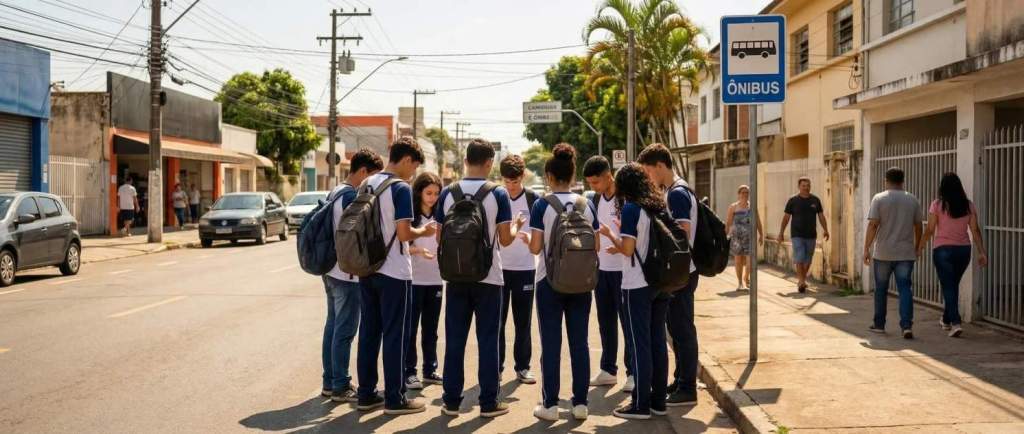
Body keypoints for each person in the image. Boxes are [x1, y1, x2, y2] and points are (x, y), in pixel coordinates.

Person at [435, 138, 520, 419]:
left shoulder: (447, 193)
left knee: (455, 339)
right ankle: (488, 402)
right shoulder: (498, 194)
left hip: (455, 276)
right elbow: (505, 240)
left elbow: (439, 238)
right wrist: (517, 227)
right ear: (488, 163)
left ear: (465, 160)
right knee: (488, 340)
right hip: (489, 277)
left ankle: (450, 400)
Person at [355, 137, 436, 415]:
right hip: (394, 272)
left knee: (368, 332)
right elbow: (404, 233)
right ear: (405, 160)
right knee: (395, 335)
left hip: (368, 268)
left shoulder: (368, 183)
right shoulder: (400, 188)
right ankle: (395, 398)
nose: (413, 173)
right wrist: (423, 232)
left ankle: (365, 394)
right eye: (413, 166)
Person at [528, 144, 599, 422]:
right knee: (580, 343)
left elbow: (535, 248)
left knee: (552, 343)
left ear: (548, 175)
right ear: (572, 175)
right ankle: (580, 404)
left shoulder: (541, 205)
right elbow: (598, 245)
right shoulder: (587, 204)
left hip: (549, 282)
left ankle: (550, 405)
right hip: (582, 282)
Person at [599, 162, 671, 420]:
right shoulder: (658, 205)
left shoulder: (631, 208)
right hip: (660, 282)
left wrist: (610, 234)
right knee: (657, 342)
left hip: (636, 284)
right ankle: (658, 401)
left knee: (640, 344)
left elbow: (628, 249)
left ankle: (640, 403)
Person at [637, 143, 698, 407]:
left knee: (682, 330)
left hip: (682, 273)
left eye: (648, 171)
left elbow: (681, 234)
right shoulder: (675, 190)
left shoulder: (677, 194)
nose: (648, 177)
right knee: (675, 328)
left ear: (660, 166)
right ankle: (680, 378)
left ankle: (688, 387)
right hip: (681, 273)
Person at [322, 149, 383, 402]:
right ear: (362, 172)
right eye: (372, 177)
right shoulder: (351, 197)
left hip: (331, 269)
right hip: (347, 273)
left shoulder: (335, 191)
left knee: (333, 326)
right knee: (345, 331)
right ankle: (340, 385)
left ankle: (330, 381)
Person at [582, 155, 634, 392]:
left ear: (607, 176)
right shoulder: (593, 199)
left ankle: (632, 372)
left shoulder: (625, 197)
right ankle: (608, 370)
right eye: (590, 183)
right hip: (601, 270)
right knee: (605, 322)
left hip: (624, 271)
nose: (593, 187)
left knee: (628, 323)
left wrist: (619, 242)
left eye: (595, 182)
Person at [918, 172, 988, 338]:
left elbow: (929, 229)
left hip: (942, 250)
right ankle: (946, 319)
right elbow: (975, 230)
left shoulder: (937, 205)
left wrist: (920, 246)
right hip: (963, 251)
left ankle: (956, 323)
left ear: (942, 187)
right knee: (952, 285)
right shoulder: (968, 205)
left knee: (949, 286)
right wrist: (982, 252)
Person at [864, 167, 923, 339]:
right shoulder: (912, 199)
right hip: (905, 253)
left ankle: (879, 324)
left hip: (883, 253)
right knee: (905, 288)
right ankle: (906, 326)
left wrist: (866, 248)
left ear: (886, 180)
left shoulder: (879, 198)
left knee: (881, 289)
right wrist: (917, 246)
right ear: (902, 180)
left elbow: (873, 224)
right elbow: (919, 226)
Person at [497, 154, 538, 385]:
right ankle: (497, 367)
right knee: (497, 322)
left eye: (514, 182)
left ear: (522, 177)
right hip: (500, 269)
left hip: (525, 268)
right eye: (506, 182)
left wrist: (530, 237)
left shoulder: (533, 199)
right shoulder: (498, 197)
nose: (511, 187)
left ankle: (523, 367)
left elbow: (541, 232)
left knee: (523, 321)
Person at [405, 171, 444, 390]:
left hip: (436, 279)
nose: (432, 197)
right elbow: (402, 247)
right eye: (428, 193)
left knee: (431, 329)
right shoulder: (411, 217)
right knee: (410, 329)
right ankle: (410, 372)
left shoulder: (440, 216)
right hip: (413, 280)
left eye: (436, 193)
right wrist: (418, 250)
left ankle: (430, 369)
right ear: (419, 192)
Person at [777, 177, 830, 293]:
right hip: (797, 234)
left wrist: (826, 229)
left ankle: (802, 280)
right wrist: (781, 233)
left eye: (808, 185)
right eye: (803, 186)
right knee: (800, 257)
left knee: (808, 260)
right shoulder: (793, 200)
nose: (806, 188)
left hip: (811, 235)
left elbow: (821, 216)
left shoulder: (815, 200)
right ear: (799, 187)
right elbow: (786, 218)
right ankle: (801, 281)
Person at [726, 185, 764, 291]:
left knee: (750, 261)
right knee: (738, 261)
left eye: (747, 192)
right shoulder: (733, 207)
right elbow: (728, 222)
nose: (745, 194)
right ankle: (739, 283)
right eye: (743, 192)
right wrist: (725, 235)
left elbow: (758, 221)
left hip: (750, 237)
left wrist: (761, 234)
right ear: (739, 194)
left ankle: (746, 277)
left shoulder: (752, 207)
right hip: (737, 238)